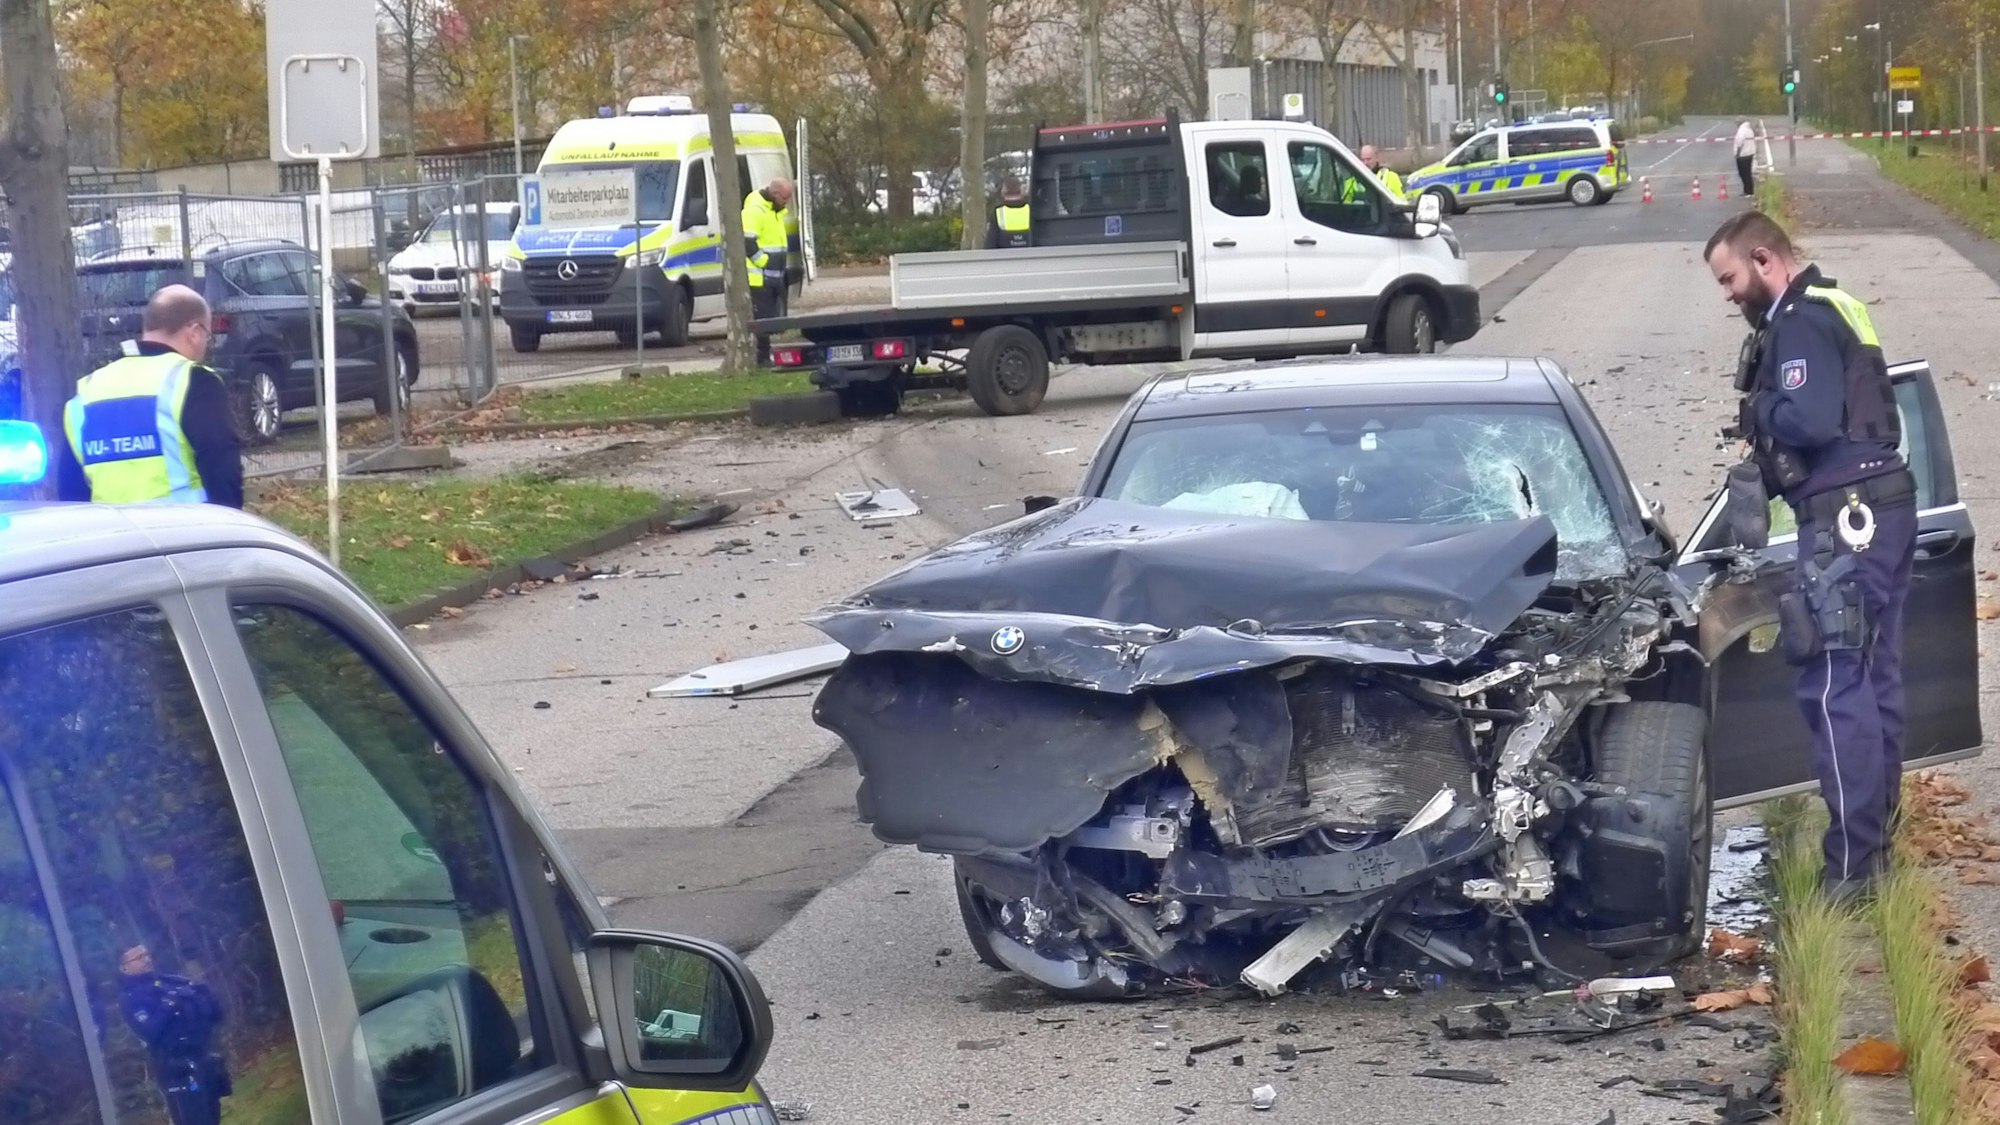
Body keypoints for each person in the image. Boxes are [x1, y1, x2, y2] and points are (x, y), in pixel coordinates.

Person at [1704, 211, 1914, 904]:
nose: (1729, 294)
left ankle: (1850, 870)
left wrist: (1758, 413)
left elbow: (1812, 419)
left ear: (1765, 259)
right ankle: (1874, 850)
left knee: (1832, 687)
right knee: (1870, 681)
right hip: (1884, 509)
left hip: (1845, 522)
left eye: (1731, 278)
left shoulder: (1797, 322)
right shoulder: (1838, 304)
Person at [57, 283, 243, 507]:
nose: (206, 346)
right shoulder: (194, 381)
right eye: (207, 337)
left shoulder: (86, 390)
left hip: (112, 537)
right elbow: (222, 472)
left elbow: (69, 491)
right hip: (187, 534)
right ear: (194, 332)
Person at [119, 944, 233, 1125]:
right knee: (194, 1120)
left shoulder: (170, 981)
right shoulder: (131, 999)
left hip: (203, 1056)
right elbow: (150, 1031)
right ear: (124, 967)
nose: (147, 960)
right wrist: (169, 1004)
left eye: (147, 954)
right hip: (176, 1067)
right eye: (139, 958)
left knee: (212, 1117)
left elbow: (213, 1014)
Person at [741, 177, 793, 368]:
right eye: (785, 198)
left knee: (769, 318)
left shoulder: (773, 210)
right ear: (776, 193)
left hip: (773, 275)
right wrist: (763, 262)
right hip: (759, 277)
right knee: (761, 320)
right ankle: (762, 358)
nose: (786, 202)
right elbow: (748, 241)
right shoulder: (756, 210)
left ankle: (765, 355)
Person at [986, 177, 1031, 249]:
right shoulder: (1031, 210)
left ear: (1003, 192)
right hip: (1031, 256)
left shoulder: (998, 212)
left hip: (1004, 258)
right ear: (1021, 191)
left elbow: (990, 244)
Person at [1733, 118, 1758, 197]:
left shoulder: (1741, 130)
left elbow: (1739, 142)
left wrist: (1737, 153)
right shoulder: (1749, 129)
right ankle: (1749, 191)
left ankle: (1747, 191)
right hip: (1750, 153)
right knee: (1748, 173)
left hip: (1743, 154)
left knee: (1743, 173)